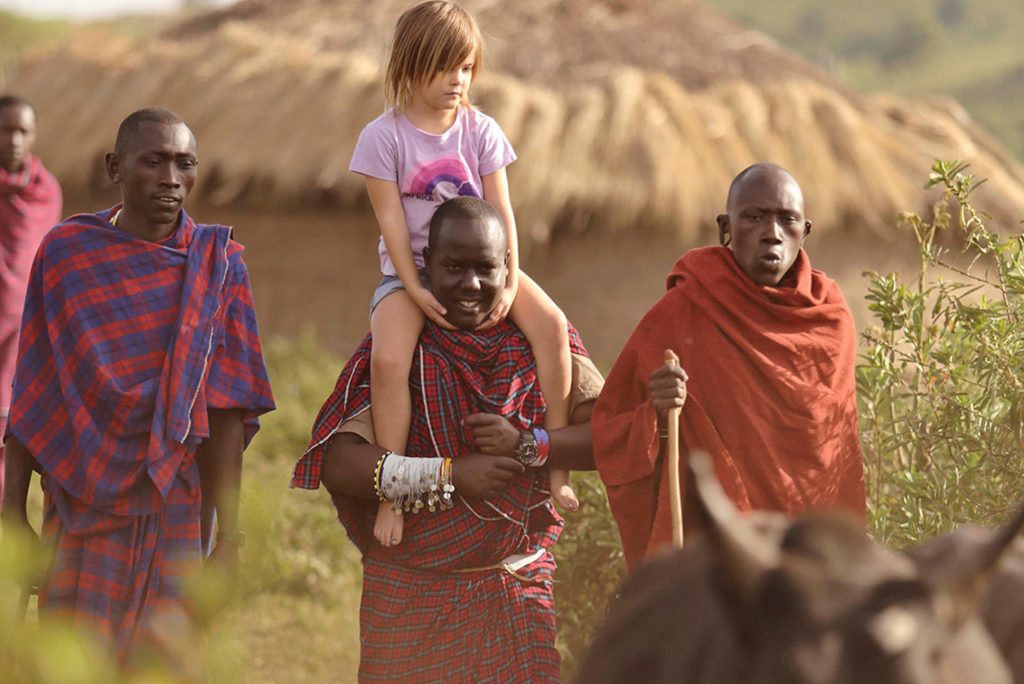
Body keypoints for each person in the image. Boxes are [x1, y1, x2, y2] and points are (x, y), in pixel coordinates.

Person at [0, 107, 275, 664]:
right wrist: (11, 514)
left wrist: (228, 541)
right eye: (153, 161)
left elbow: (226, 412)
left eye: (185, 163)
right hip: (79, 502)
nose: (171, 179)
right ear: (115, 168)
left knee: (162, 666)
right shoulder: (65, 255)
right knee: (69, 663)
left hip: (178, 506)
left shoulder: (218, 268)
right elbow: (33, 389)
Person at [291, 197, 603, 682]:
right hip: (412, 597)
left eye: (485, 268)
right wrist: (450, 475)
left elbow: (605, 438)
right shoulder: (397, 348)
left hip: (516, 586)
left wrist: (527, 444)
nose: (471, 284)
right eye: (453, 267)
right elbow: (339, 462)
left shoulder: (542, 346)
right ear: (427, 267)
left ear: (508, 268)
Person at [350, 0, 577, 548]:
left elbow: (502, 213)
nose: (458, 80)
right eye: (445, 67)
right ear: (410, 62)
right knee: (387, 361)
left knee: (552, 326)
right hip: (412, 276)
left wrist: (510, 274)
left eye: (468, 68)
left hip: (485, 269)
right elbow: (392, 226)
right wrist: (412, 288)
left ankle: (557, 464)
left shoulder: (481, 130)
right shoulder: (383, 138)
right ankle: (395, 490)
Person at [592, 162, 865, 570]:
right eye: (754, 217)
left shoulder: (830, 319)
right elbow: (609, 430)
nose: (771, 233)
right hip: (716, 552)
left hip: (809, 551)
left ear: (804, 233)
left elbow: (833, 449)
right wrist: (657, 413)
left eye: (787, 220)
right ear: (726, 227)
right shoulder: (684, 310)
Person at [0, 95, 62, 505]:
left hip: (25, 332)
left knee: (13, 430)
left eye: (23, 130)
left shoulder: (46, 191)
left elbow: (45, 264)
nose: (14, 140)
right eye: (6, 129)